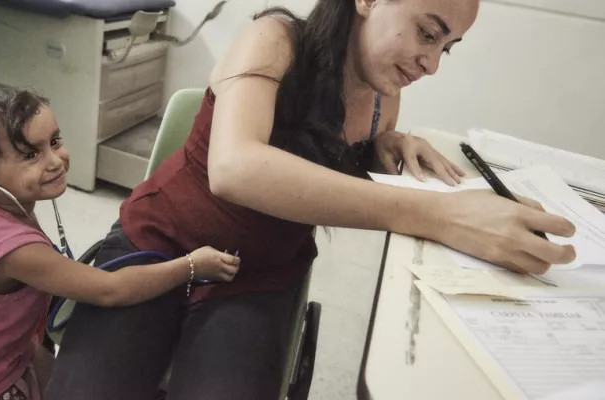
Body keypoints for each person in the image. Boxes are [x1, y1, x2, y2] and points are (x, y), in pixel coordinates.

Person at [45, 0, 577, 398]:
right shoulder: (274, 37)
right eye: (427, 33)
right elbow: (236, 169)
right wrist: (439, 216)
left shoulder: (382, 101)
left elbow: (325, 158)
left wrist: (384, 146)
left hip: (253, 275)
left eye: (446, 47)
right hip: (159, 243)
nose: (432, 64)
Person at [0, 83, 240, 400]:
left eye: (55, 141)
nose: (55, 161)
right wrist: (193, 265)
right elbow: (112, 289)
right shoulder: (14, 250)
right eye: (30, 156)